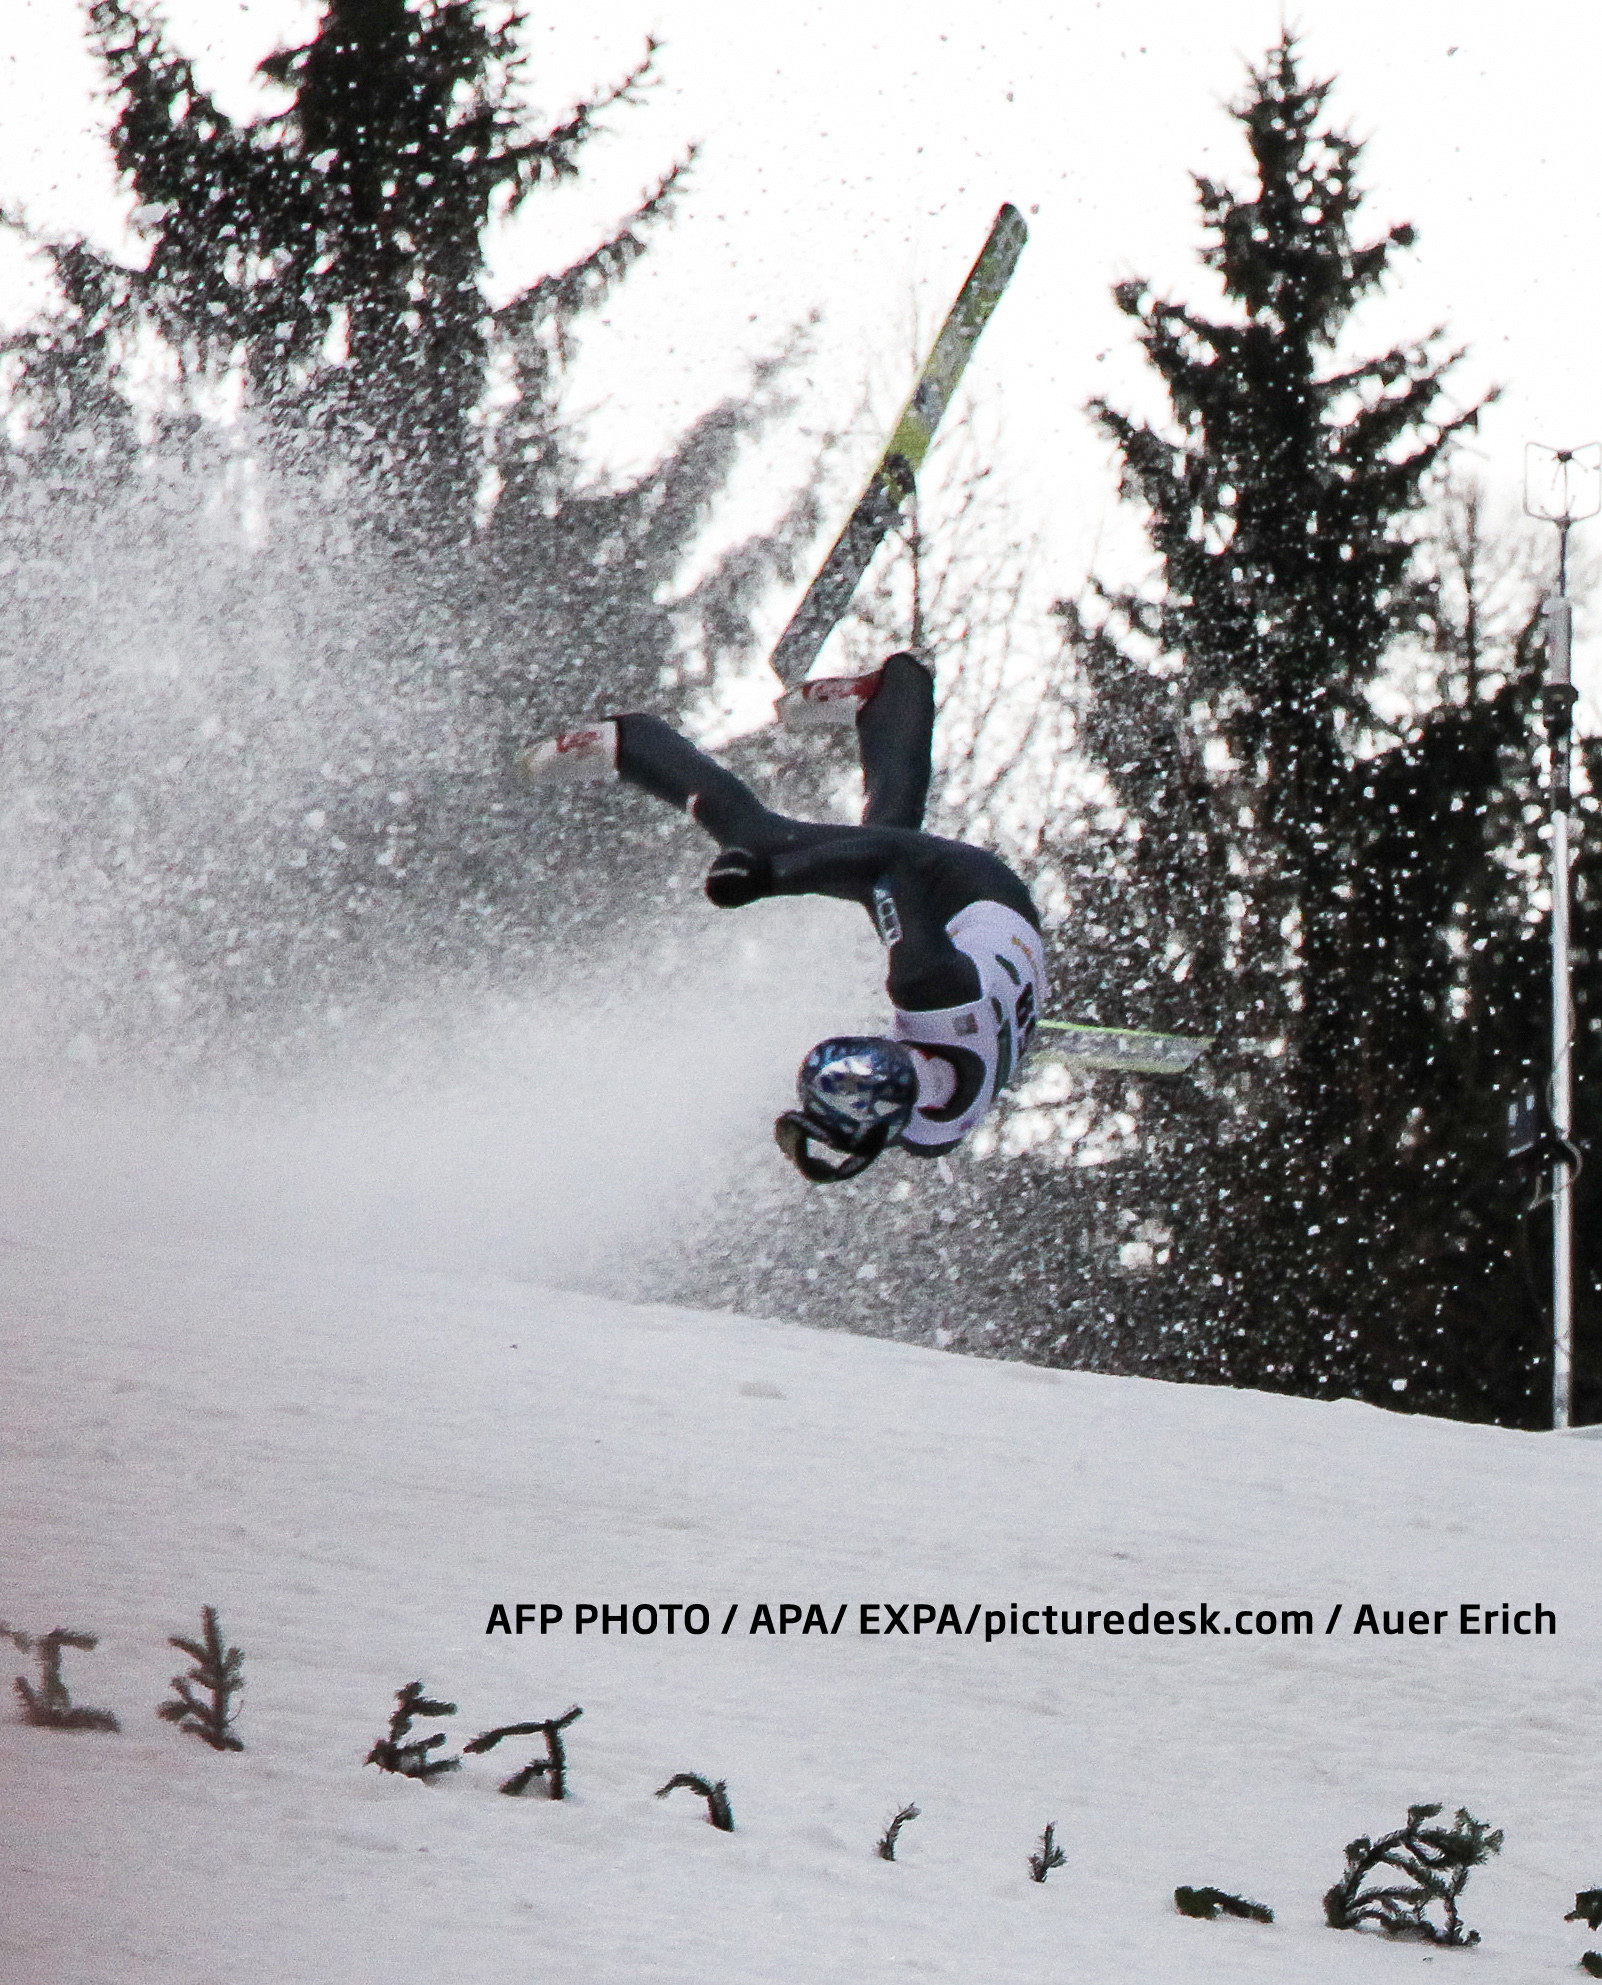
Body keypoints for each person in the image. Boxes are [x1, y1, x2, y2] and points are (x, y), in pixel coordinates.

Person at [522, 652, 1047, 1182]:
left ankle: (889, 698)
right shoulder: (924, 983)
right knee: (762, 840)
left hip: (999, 950)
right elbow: (895, 865)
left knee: (888, 824)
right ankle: (635, 742)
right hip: (970, 890)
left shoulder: (931, 1133)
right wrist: (767, 878)